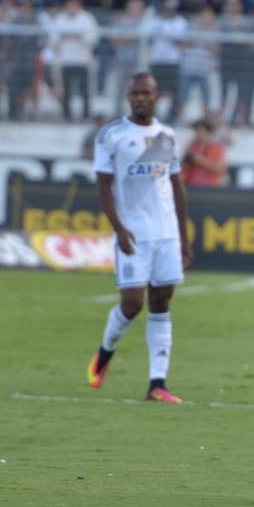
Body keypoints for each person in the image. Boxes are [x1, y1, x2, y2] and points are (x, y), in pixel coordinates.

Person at [88, 72, 193, 404]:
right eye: (134, 93)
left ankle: (156, 384)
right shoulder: (112, 135)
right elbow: (103, 186)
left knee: (161, 302)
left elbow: (176, 187)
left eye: (145, 93)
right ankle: (105, 352)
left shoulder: (166, 136)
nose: (139, 98)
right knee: (133, 303)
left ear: (156, 96)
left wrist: (185, 238)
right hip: (133, 232)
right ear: (127, 96)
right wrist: (117, 227)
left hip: (166, 234)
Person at [51, 0, 98, 121]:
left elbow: (93, 39)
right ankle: (67, 115)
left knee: (85, 90)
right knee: (66, 91)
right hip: (65, 60)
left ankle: (85, 115)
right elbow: (54, 39)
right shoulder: (60, 19)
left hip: (83, 60)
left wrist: (76, 36)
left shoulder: (87, 18)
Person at [181, 118, 227, 187]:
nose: (198, 133)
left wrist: (200, 160)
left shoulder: (217, 147)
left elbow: (220, 169)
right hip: (192, 186)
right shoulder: (191, 146)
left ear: (208, 132)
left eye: (201, 130)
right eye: (196, 130)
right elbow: (183, 167)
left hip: (210, 187)